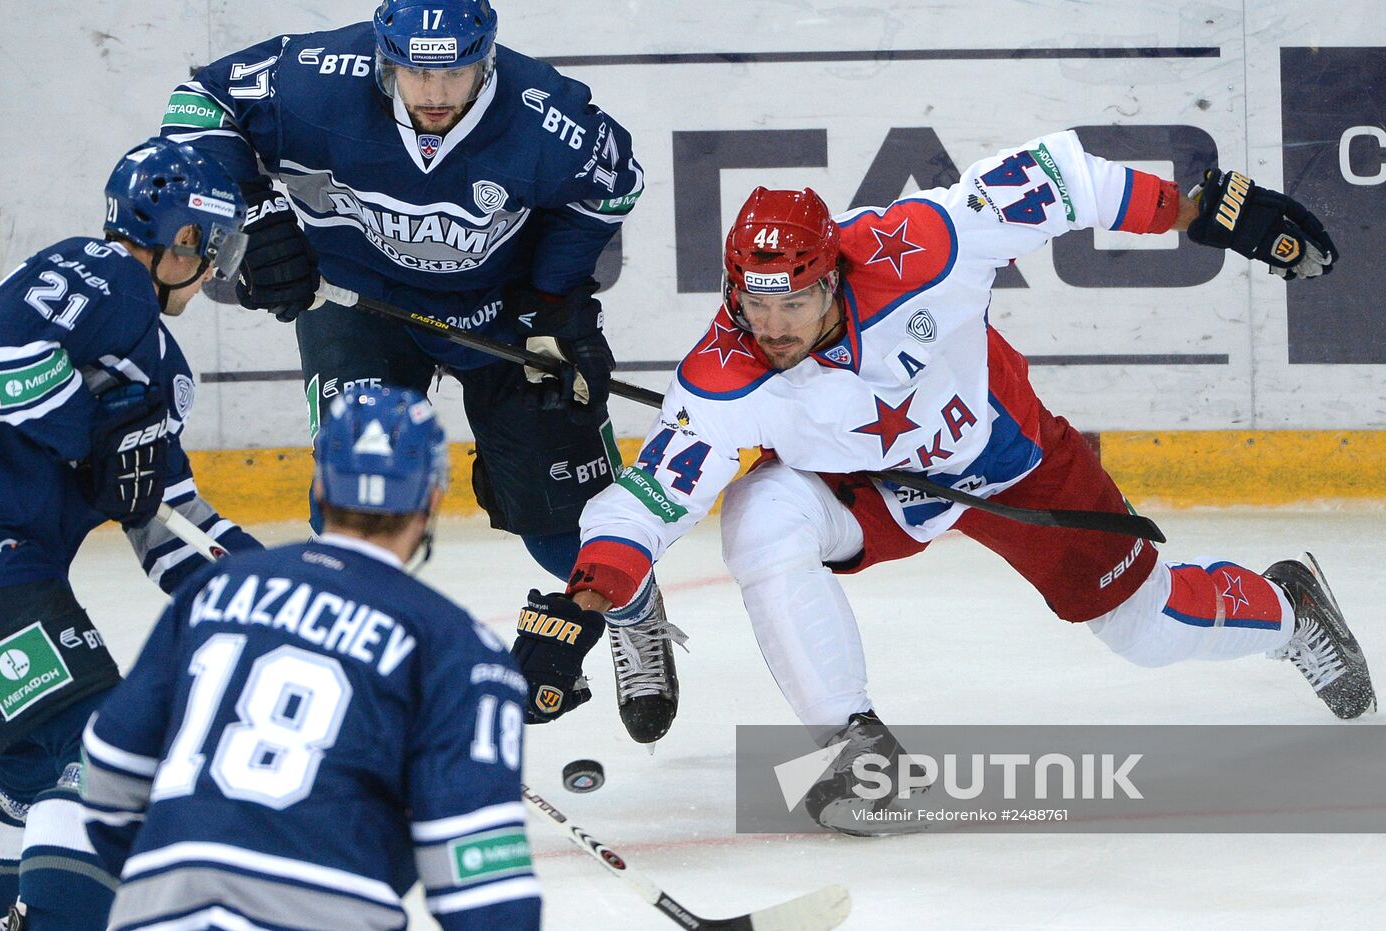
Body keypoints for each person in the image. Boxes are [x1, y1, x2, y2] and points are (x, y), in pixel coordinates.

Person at [507, 129, 1376, 832]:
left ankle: (1289, 608)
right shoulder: (724, 376)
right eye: (754, 303)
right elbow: (650, 500)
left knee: (1149, 628)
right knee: (760, 514)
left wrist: (1196, 209)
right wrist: (580, 609)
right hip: (874, 491)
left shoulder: (916, 248)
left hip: (1012, 463)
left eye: (793, 305)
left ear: (834, 275)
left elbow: (1058, 179)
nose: (772, 327)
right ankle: (854, 749)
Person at [156, 0, 683, 744]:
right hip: (355, 302)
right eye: (415, 70)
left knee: (563, 531)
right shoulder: (313, 78)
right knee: (351, 499)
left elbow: (612, 184)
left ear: (487, 59)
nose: (434, 93)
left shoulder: (546, 117)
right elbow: (197, 103)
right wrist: (258, 213)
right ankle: (350, 677)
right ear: (385, 57)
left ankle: (634, 614)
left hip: (497, 312)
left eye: (455, 71)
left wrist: (554, 299)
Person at [80, 386, 540, 929]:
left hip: (163, 908)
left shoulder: (215, 589)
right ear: (434, 495)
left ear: (321, 485)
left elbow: (110, 763)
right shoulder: (461, 649)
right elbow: (482, 892)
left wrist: (160, 873)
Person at [0, 137, 261, 927]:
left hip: (14, 572)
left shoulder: (158, 363)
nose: (214, 269)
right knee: (98, 760)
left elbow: (168, 520)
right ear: (182, 238)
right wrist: (88, 429)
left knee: (20, 774)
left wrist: (263, 590)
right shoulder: (99, 272)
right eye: (214, 246)